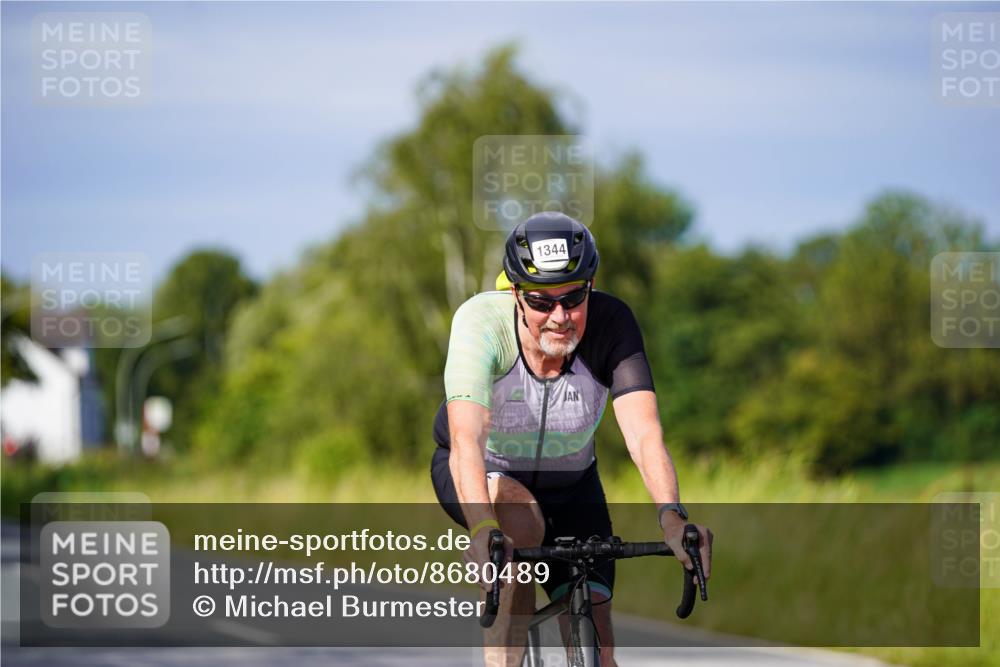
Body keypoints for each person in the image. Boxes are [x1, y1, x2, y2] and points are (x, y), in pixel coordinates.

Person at [430, 211, 713, 666]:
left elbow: (643, 432)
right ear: (516, 295)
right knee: (517, 530)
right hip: (486, 474)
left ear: (591, 286)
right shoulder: (481, 323)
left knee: (599, 642)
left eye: (574, 297)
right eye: (541, 302)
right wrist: (483, 528)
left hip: (573, 484)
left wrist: (673, 517)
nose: (560, 317)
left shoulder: (611, 323)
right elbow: (467, 438)